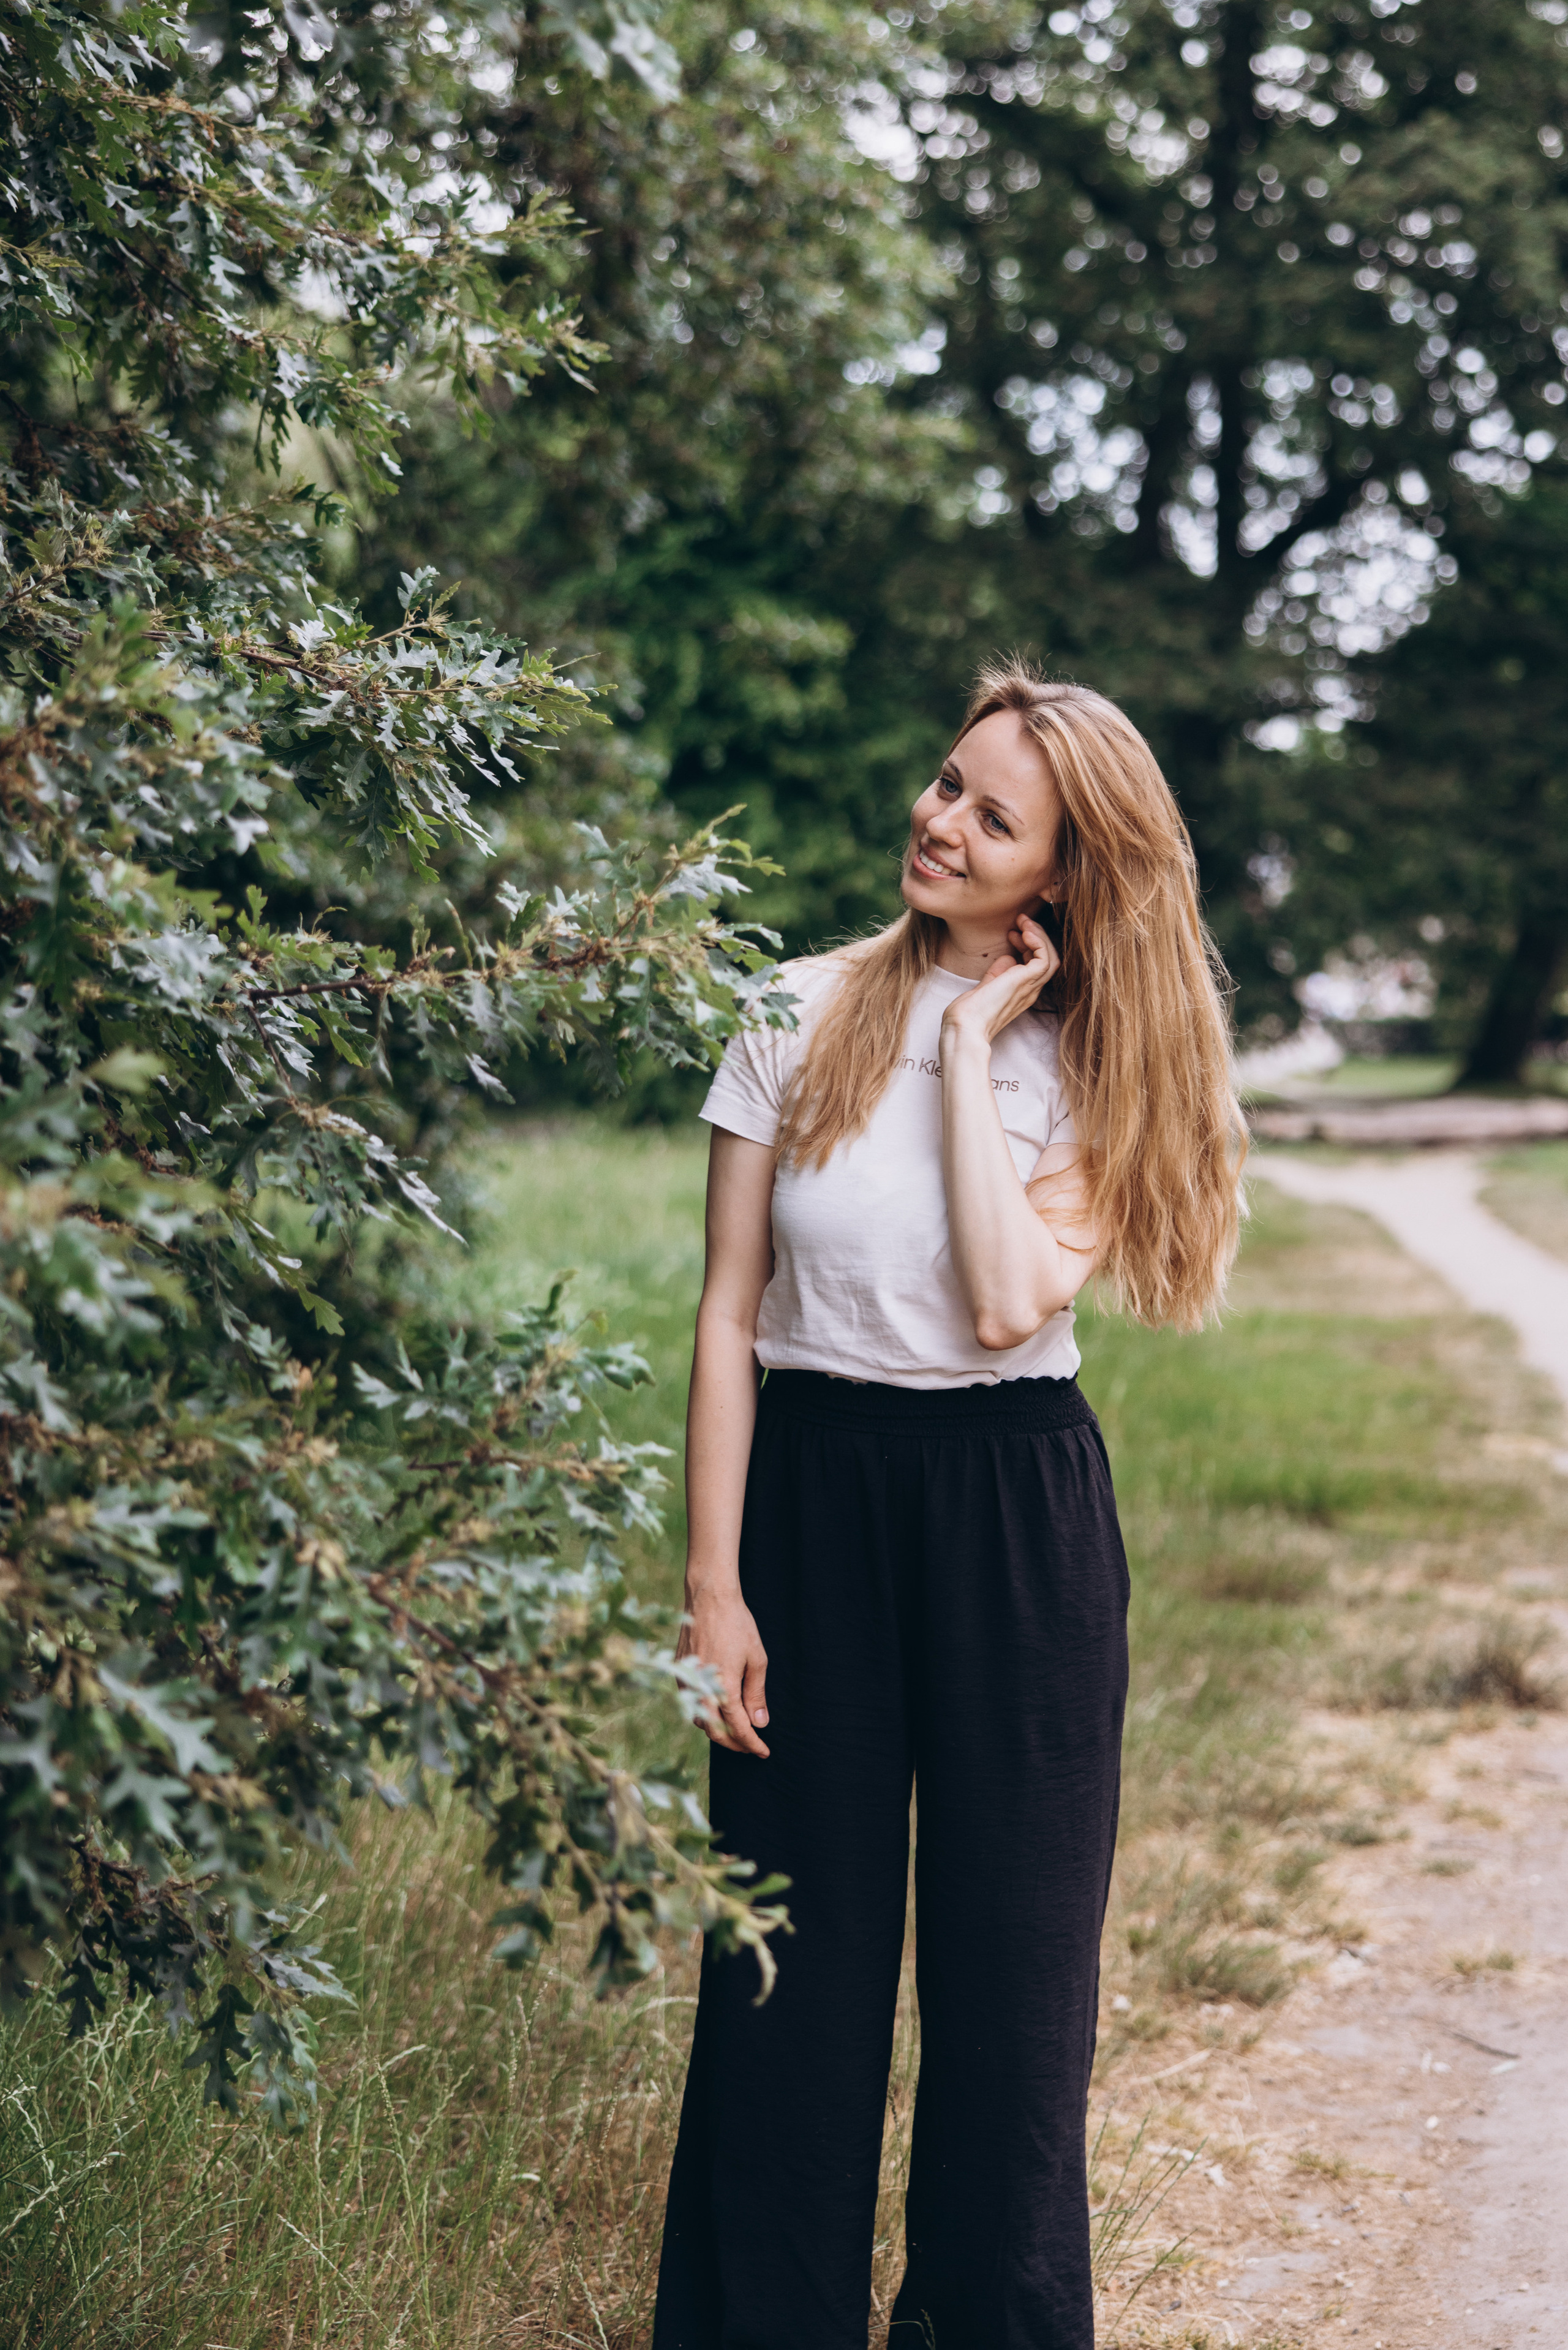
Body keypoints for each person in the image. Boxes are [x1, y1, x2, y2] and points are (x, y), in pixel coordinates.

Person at [652, 659, 1247, 2350]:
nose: (943, 822)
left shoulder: (1090, 1064)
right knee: (787, 1976)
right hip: (812, 1507)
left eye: (996, 816)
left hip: (1017, 1520)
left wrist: (978, 1042)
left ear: (1063, 873)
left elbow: (1005, 1305)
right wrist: (715, 1588)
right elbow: (723, 1313)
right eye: (943, 784)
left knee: (1010, 1999)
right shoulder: (789, 1007)